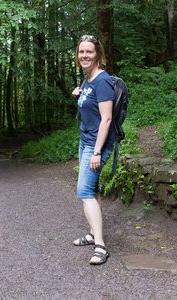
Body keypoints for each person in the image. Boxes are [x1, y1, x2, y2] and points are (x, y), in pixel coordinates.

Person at [72, 35, 116, 265]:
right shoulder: (88, 80)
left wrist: (97, 151)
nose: (84, 56)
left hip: (95, 144)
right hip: (85, 141)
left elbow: (107, 118)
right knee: (94, 189)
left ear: (97, 54)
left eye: (89, 52)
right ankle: (92, 233)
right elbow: (92, 108)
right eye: (81, 52)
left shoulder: (102, 81)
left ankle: (101, 246)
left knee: (85, 192)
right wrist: (78, 94)